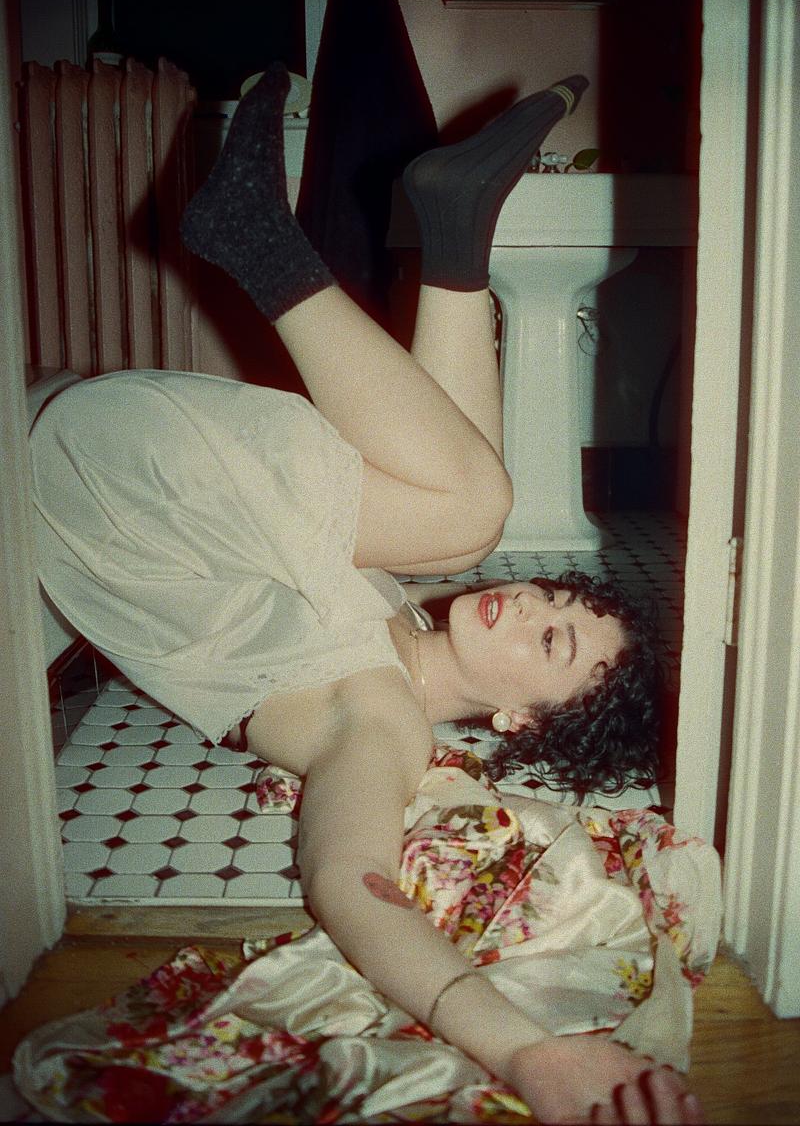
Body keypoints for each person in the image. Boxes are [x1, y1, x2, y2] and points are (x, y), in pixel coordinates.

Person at [29, 64, 702, 1125]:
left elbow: (351, 887)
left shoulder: (381, 720)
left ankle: (283, 240)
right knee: (465, 508)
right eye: (552, 601)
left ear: (517, 720)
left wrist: (525, 1052)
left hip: (103, 490)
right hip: (138, 466)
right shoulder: (397, 607)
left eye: (552, 644)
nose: (531, 607)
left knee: (471, 507)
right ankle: (454, 230)